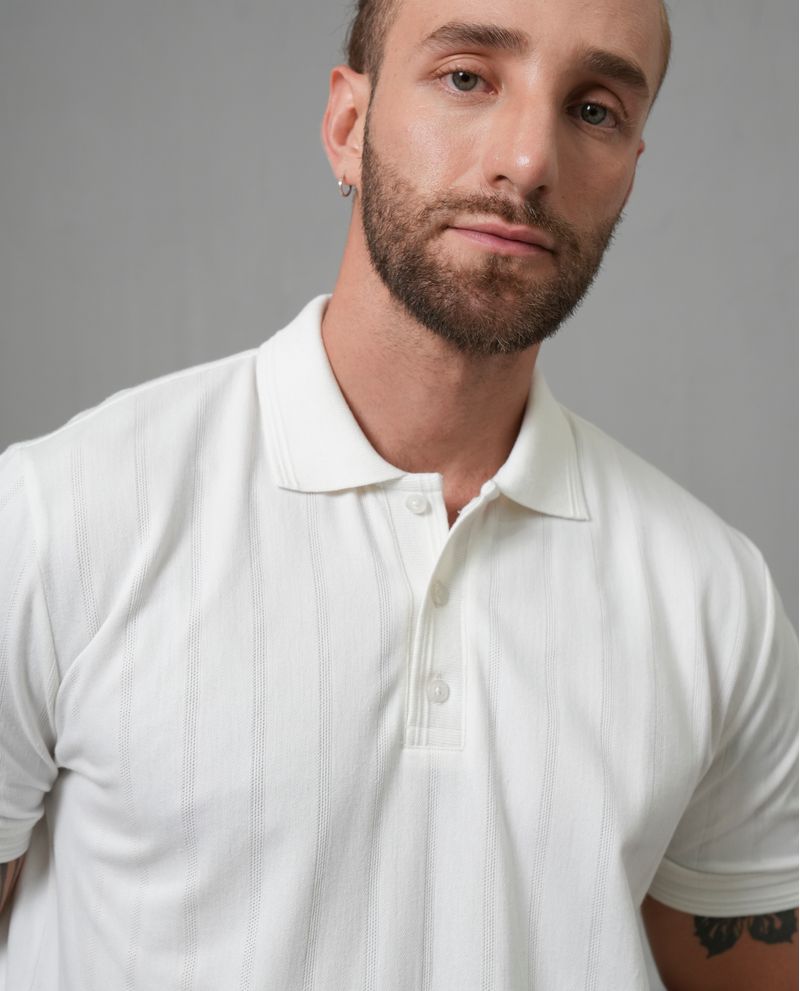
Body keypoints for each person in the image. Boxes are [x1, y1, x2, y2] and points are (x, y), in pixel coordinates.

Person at [0, 0, 796, 987]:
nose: (527, 162)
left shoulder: (715, 597)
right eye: (466, 77)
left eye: (593, 109)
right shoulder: (59, 515)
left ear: (631, 167)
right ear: (348, 125)